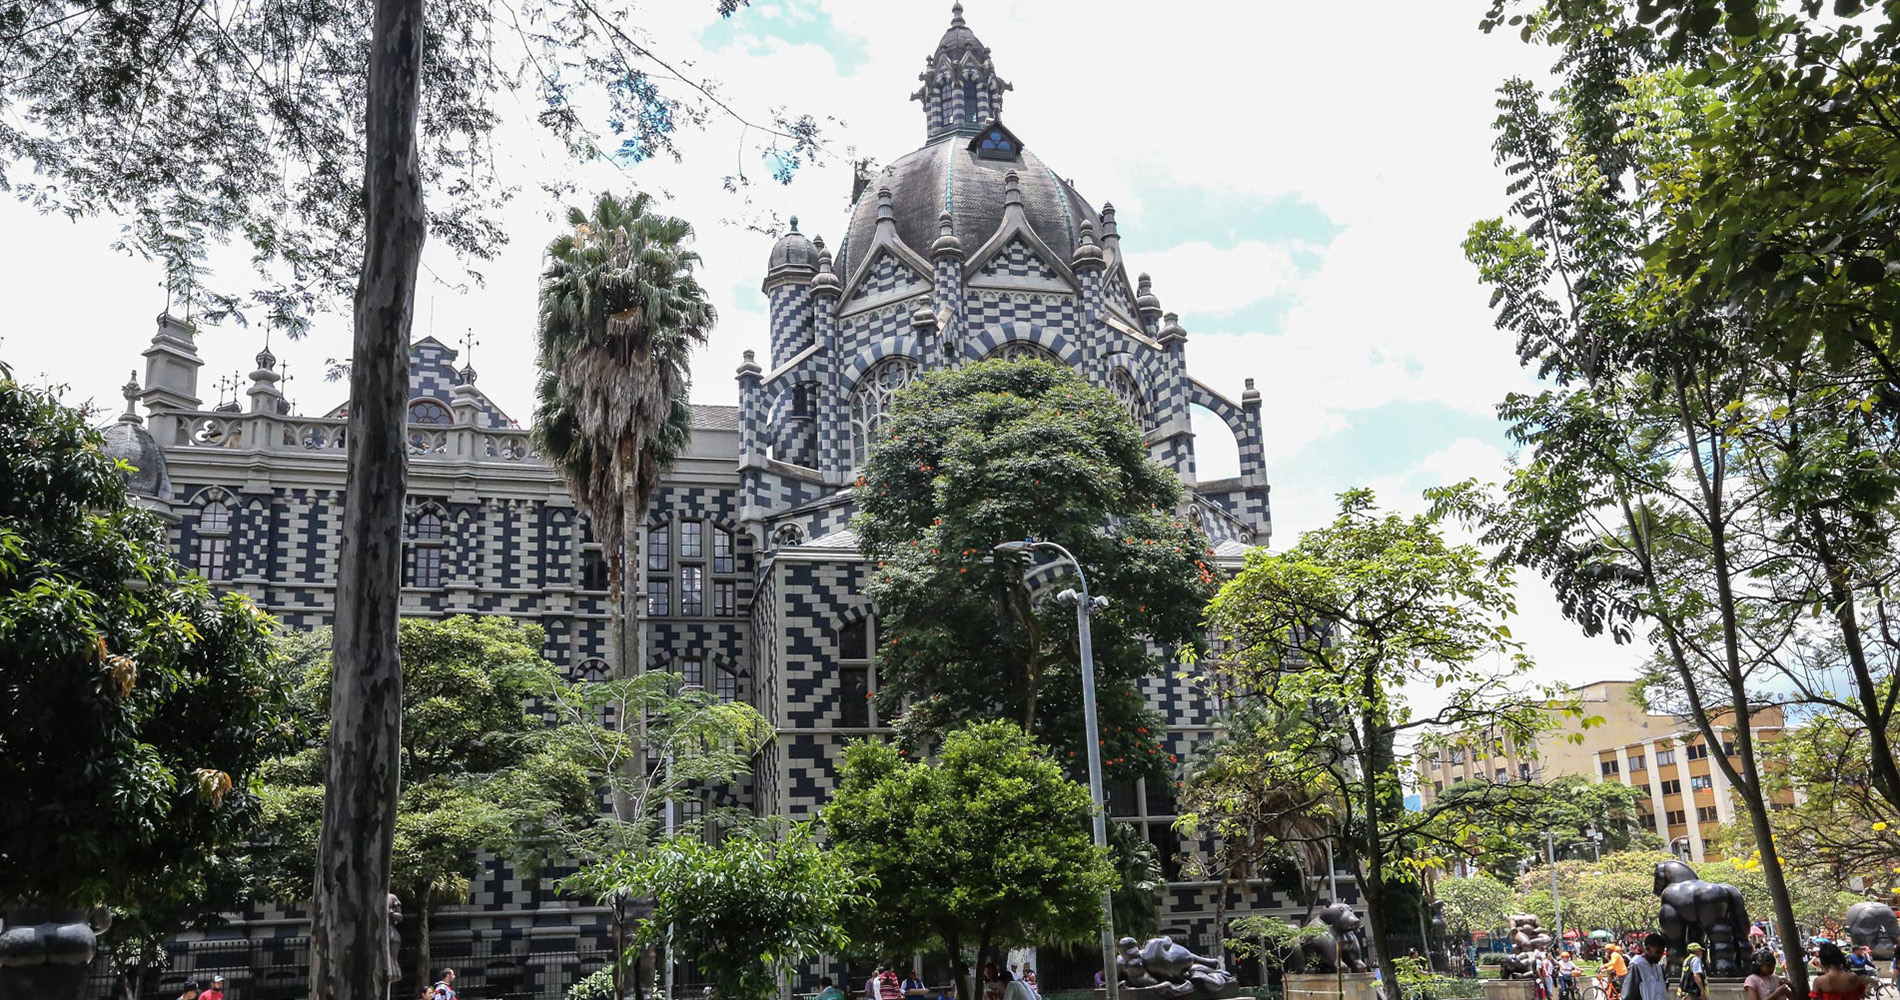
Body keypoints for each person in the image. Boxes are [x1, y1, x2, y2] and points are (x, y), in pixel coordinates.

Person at [1622, 933, 1670, 1000]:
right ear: (1647, 949)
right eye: (1657, 952)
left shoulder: (1659, 967)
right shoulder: (1636, 966)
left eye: (1661, 953)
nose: (1660, 955)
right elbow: (1628, 995)